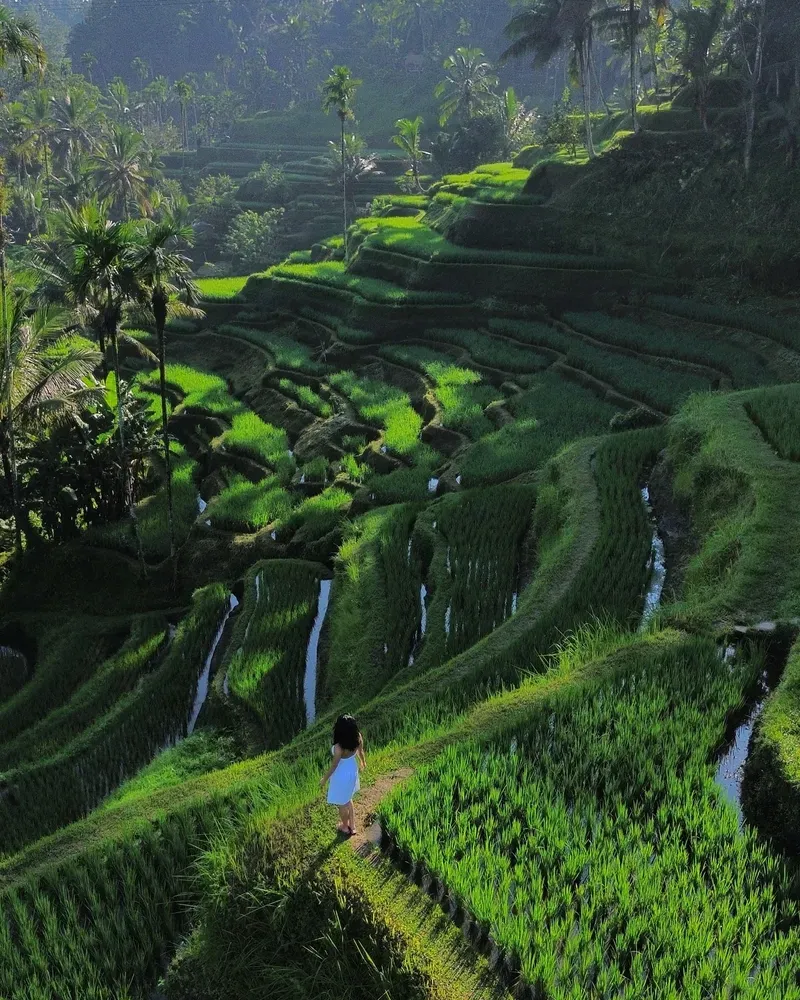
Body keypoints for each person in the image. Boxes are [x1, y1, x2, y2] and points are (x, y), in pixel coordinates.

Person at [320, 714, 365, 835]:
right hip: (352, 771)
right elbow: (361, 752)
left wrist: (324, 779)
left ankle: (345, 826)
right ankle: (353, 825)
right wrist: (363, 762)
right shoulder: (358, 738)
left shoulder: (339, 747)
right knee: (348, 798)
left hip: (341, 776)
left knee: (342, 803)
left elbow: (334, 766)